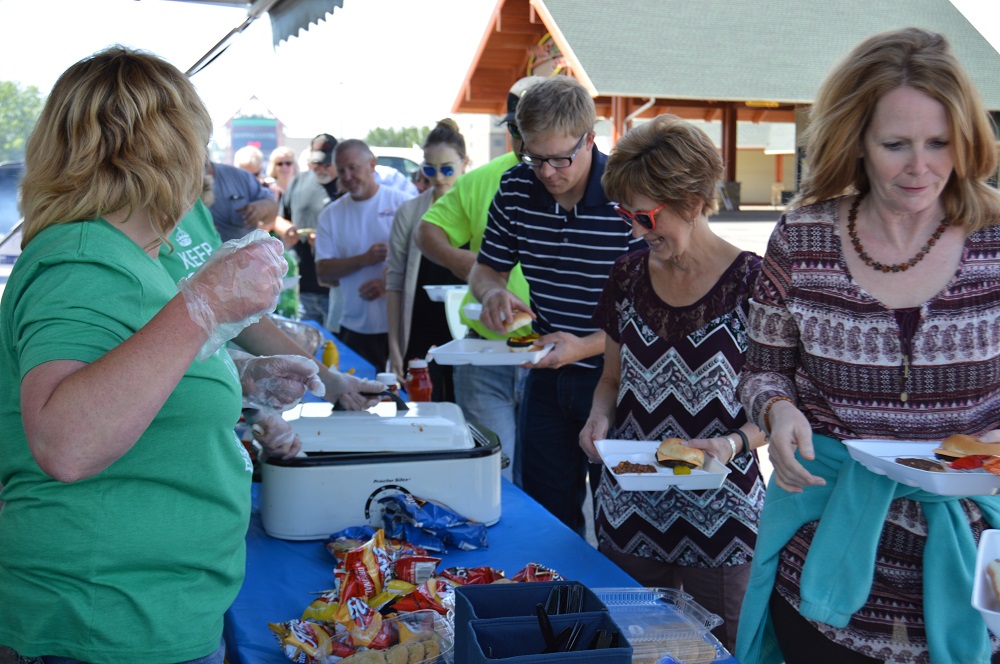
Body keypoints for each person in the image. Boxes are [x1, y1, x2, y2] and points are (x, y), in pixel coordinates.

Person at [0, 46, 286, 663]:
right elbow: (66, 441)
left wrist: (238, 370)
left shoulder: (130, 256)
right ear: (169, 150)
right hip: (101, 621)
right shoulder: (80, 255)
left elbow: (126, 365)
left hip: (145, 609)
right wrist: (203, 303)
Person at [735, 28, 1000, 664]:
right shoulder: (802, 238)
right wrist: (778, 410)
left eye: (940, 143)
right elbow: (761, 371)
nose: (922, 166)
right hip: (822, 561)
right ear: (855, 140)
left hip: (974, 566)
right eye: (896, 145)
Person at [578, 114, 766, 651]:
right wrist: (599, 417)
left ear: (692, 199)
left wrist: (730, 444)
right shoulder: (628, 276)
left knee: (723, 648)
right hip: (632, 508)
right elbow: (611, 378)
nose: (635, 231)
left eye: (644, 216)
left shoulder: (753, 282)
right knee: (633, 646)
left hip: (723, 515)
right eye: (626, 215)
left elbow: (779, 408)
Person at [469, 76, 644, 534]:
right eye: (534, 157)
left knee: (620, 518)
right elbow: (486, 269)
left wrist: (583, 347)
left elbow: (653, 313)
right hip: (547, 378)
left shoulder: (625, 196)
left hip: (620, 380)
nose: (546, 172)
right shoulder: (514, 188)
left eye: (560, 159)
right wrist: (490, 293)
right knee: (547, 516)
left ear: (590, 139)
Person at [415, 75, 546, 484]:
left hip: (557, 354)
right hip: (487, 351)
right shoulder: (483, 178)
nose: (523, 140)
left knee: (546, 484)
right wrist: (468, 263)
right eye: (515, 129)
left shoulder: (578, 177)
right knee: (492, 476)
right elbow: (427, 231)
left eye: (532, 128)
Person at [161, 198, 385, 411]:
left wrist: (330, 381)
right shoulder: (135, 222)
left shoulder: (194, 207)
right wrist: (242, 373)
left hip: (215, 402)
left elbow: (234, 311)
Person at [386, 119, 469, 398]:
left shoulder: (480, 208)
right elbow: (395, 282)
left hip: (468, 331)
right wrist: (396, 347)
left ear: (464, 163)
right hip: (420, 332)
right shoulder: (409, 212)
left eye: (447, 169)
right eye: (429, 169)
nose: (439, 177)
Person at [315, 139, 413, 371]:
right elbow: (323, 274)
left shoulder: (403, 205)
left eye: (353, 168)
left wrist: (388, 285)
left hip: (403, 325)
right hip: (354, 326)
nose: (347, 176)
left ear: (372, 164)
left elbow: (424, 265)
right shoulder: (330, 215)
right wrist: (363, 259)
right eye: (341, 171)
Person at [274, 133, 343, 328]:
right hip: (301, 285)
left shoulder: (345, 186)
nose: (320, 169)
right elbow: (278, 218)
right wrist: (287, 229)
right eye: (316, 163)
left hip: (333, 289)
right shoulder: (299, 181)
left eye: (326, 164)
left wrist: (326, 241)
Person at [207, 159, 277, 242]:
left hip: (244, 250)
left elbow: (272, 206)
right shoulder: (187, 184)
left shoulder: (238, 176)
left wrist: (261, 208)